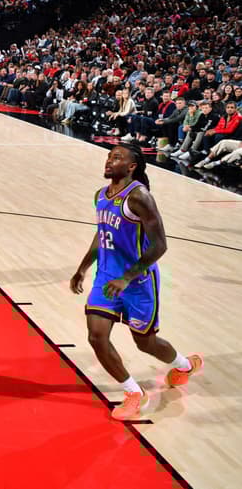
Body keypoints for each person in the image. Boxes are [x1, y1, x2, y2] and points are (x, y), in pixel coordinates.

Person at [71, 144, 202, 420]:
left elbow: (160, 245)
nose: (109, 160)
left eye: (116, 157)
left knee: (146, 343)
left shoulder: (140, 197)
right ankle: (133, 392)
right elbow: (102, 234)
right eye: (108, 156)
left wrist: (127, 276)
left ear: (131, 166)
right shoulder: (101, 196)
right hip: (106, 278)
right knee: (96, 336)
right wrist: (83, 268)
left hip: (138, 282)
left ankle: (184, 366)